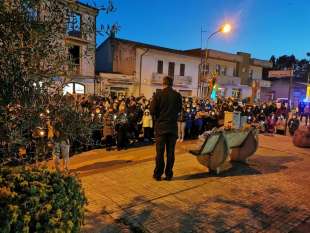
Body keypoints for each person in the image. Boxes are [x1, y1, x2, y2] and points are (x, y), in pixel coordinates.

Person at [150, 76, 182, 181]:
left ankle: (158, 174)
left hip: (161, 127)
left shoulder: (158, 95)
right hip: (172, 127)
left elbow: (152, 111)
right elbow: (179, 110)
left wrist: (158, 118)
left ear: (163, 83)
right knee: (170, 152)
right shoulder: (177, 95)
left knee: (159, 153)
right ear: (172, 84)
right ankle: (169, 174)